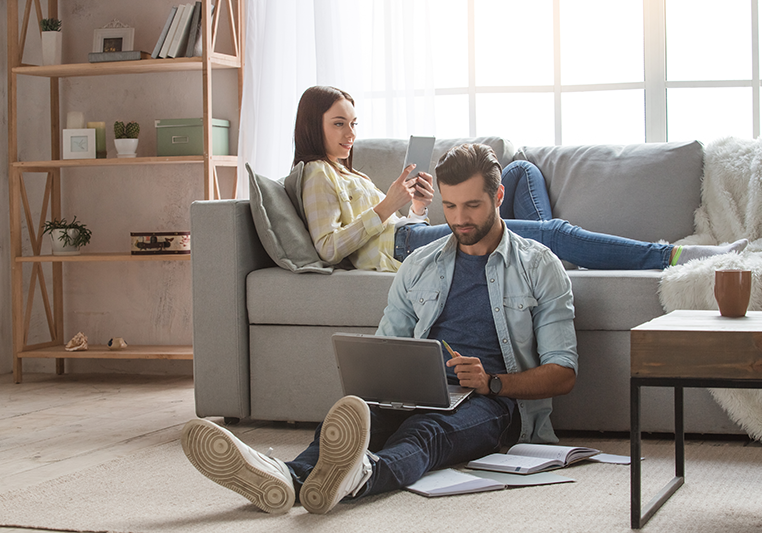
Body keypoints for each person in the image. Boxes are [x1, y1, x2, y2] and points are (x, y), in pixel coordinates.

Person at [181, 142, 578, 514]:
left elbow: (563, 373)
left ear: (498, 197)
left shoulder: (539, 266)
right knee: (353, 418)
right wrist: (375, 379)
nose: (459, 219)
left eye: (472, 206)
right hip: (416, 392)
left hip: (493, 403)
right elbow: (388, 344)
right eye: (451, 205)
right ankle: (284, 477)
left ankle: (359, 478)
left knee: (424, 433)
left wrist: (492, 382)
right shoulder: (420, 264)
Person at [295, 85, 748, 273]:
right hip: (404, 252)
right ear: (315, 125)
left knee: (522, 171)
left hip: (410, 234)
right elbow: (328, 248)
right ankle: (675, 256)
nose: (350, 134)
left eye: (354, 123)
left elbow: (398, 222)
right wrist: (388, 206)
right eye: (339, 124)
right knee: (551, 231)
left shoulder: (345, 170)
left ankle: (548, 258)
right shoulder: (315, 174)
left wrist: (414, 204)